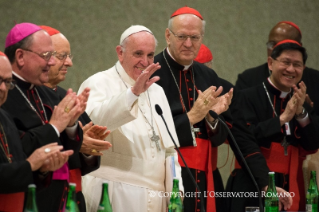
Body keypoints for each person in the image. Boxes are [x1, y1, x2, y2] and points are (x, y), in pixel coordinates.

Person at [153, 7, 293, 212]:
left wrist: (265, 184)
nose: (188, 43)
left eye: (195, 37)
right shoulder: (152, 72)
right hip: (164, 178)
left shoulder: (208, 77)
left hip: (205, 180)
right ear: (168, 35)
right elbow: (148, 135)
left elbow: (240, 135)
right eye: (182, 36)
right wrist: (192, 116)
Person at [78, 25, 184, 212]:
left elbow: (170, 151)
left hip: (156, 196)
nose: (145, 62)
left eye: (150, 55)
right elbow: (94, 125)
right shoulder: (98, 82)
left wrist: (176, 193)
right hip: (114, 191)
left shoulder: (157, 91)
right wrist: (133, 94)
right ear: (120, 53)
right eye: (138, 54)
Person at [2, 22, 89, 212]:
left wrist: (71, 124)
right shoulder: (5, 97)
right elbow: (17, 151)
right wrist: (55, 127)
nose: (51, 62)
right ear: (20, 56)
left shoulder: (46, 92)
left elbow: (68, 151)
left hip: (57, 196)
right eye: (46, 56)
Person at [230, 39, 319, 211]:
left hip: (290, 185)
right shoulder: (247, 97)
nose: (291, 69)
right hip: (252, 184)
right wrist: (282, 118)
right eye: (286, 62)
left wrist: (300, 112)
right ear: (271, 63)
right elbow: (245, 138)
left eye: (297, 64)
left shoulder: (301, 102)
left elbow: (313, 144)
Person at [39, 25, 112, 211]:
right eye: (62, 56)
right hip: (45, 196)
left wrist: (89, 148)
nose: (69, 63)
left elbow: (86, 166)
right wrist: (77, 142)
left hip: (74, 195)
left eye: (69, 56)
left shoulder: (67, 97)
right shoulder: (27, 98)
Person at [0, 51, 73, 211]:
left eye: (7, 82)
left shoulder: (4, 118)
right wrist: (30, 164)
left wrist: (41, 170)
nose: (3, 88)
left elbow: (18, 168)